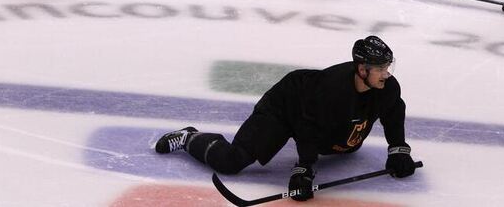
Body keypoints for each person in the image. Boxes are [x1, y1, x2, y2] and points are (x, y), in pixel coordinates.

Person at [154, 36, 419, 202]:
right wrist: (304, 167)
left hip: (318, 114)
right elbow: (307, 125)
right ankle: (189, 136)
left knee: (348, 145)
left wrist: (398, 149)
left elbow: (394, 111)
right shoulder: (332, 91)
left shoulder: (387, 87)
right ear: (362, 69)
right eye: (381, 69)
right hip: (286, 105)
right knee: (230, 161)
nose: (387, 74)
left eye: (388, 67)